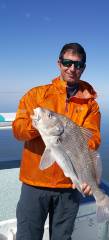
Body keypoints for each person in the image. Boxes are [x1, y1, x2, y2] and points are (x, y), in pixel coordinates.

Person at [12, 42, 101, 240]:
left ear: (83, 68)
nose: (72, 68)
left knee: (62, 237)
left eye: (78, 65)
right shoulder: (36, 95)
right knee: (27, 236)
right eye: (67, 63)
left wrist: (89, 178)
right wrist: (36, 126)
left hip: (69, 186)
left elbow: (93, 139)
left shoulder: (91, 105)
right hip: (34, 183)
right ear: (59, 63)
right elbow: (18, 131)